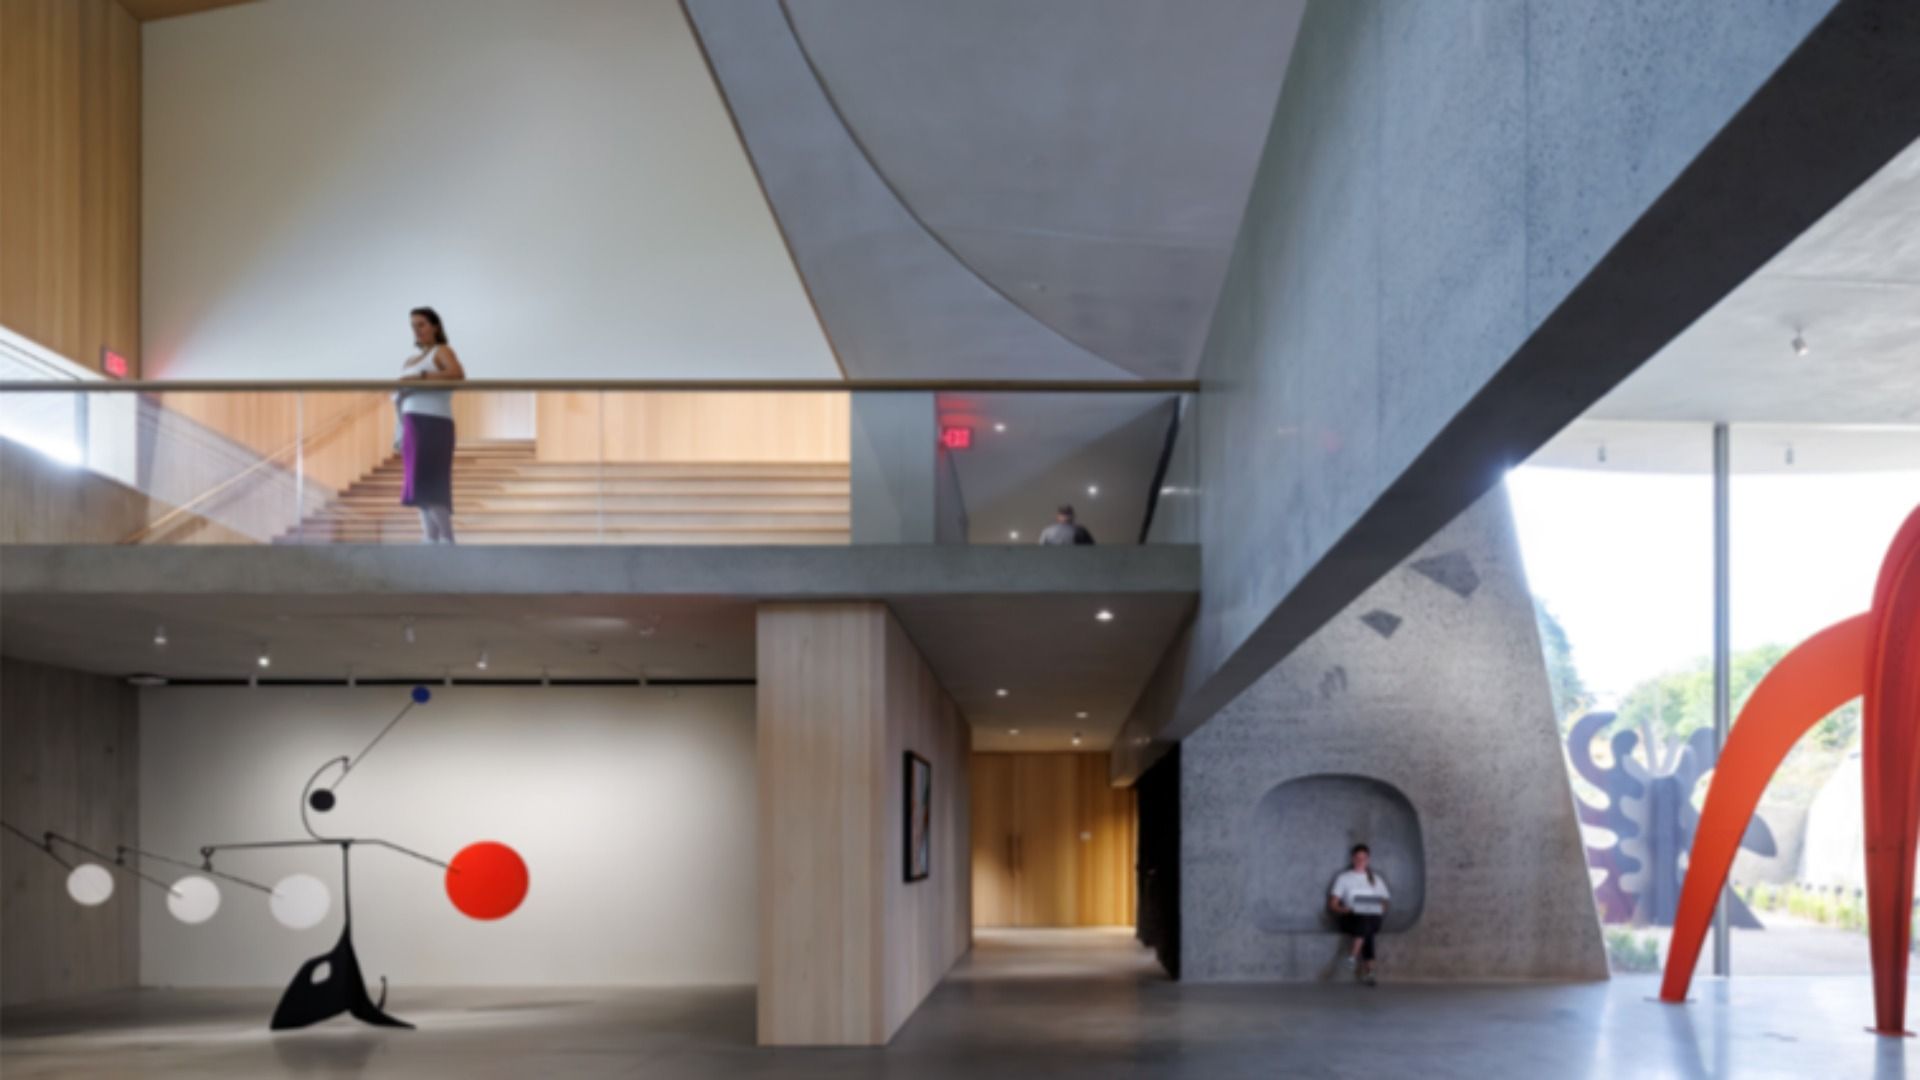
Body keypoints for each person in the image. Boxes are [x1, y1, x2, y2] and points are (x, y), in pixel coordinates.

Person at [396, 307, 465, 543]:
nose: (417, 330)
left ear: (435, 326)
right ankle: (431, 541)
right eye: (413, 326)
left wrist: (421, 378)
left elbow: (457, 374)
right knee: (418, 488)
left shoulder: (441, 351)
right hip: (412, 423)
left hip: (433, 422)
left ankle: (448, 541)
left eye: (422, 324)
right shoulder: (409, 360)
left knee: (430, 485)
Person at [1328, 843, 1390, 985]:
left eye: (1364, 858)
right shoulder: (1343, 878)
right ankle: (1370, 972)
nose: (1361, 861)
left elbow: (1385, 903)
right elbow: (1333, 904)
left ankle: (1352, 956)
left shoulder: (1376, 879)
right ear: (1352, 859)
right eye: (1358, 858)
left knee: (1367, 918)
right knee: (1365, 925)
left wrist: (1379, 907)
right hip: (1350, 918)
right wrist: (1345, 909)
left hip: (1373, 917)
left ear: (1368, 859)